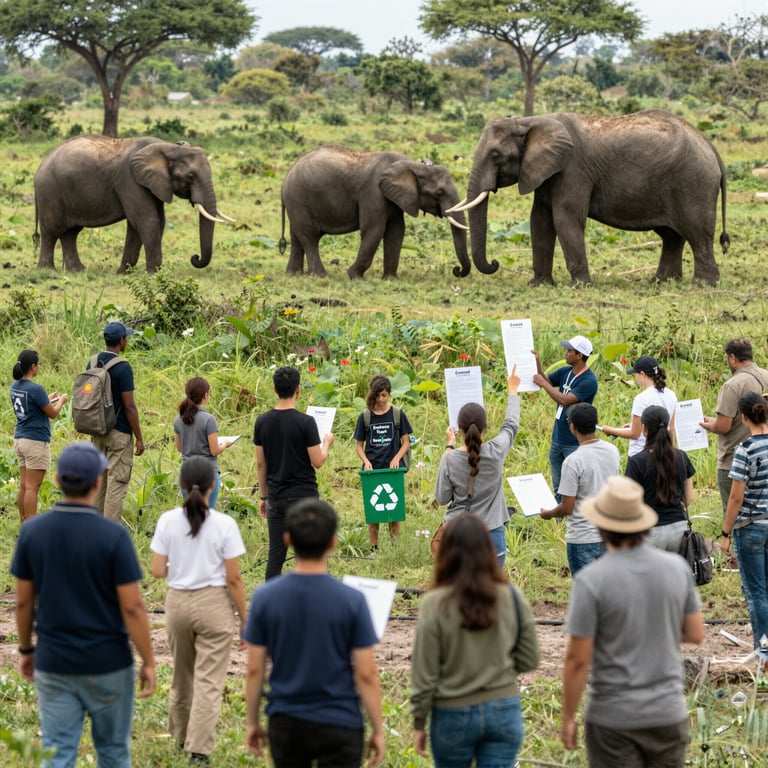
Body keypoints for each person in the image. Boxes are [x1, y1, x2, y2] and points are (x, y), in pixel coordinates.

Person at [10, 442, 155, 768]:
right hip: (109, 663)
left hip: (55, 661)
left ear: (58, 480)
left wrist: (25, 650)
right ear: (98, 482)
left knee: (57, 752)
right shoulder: (113, 536)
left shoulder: (33, 532)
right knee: (114, 752)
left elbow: (23, 601)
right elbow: (133, 607)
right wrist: (148, 660)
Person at [561, 475, 704, 767]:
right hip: (667, 712)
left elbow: (577, 659)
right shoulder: (676, 568)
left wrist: (567, 717)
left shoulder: (591, 580)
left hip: (612, 718)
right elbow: (696, 632)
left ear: (601, 526)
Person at [244, 498, 385, 767]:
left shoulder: (265, 597)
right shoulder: (352, 600)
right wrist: (378, 729)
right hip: (340, 722)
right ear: (333, 543)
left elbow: (254, 670)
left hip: (286, 721)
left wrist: (252, 722)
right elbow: (366, 673)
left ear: (287, 540)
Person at [411, 513, 540, 768]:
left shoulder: (434, 603)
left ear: (446, 551)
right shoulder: (512, 596)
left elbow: (424, 672)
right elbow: (529, 659)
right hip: (503, 708)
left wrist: (418, 721)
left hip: (452, 712)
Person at [151, 456, 248, 764]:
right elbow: (233, 578)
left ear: (180, 485)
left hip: (177, 602)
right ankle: (199, 750)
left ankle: (179, 737)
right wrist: (245, 619)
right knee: (208, 679)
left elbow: (156, 570)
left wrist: (181, 566)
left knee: (182, 675)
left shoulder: (168, 520)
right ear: (213, 485)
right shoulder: (224, 524)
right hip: (213, 604)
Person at [253, 366, 334, 580]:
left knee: (276, 555)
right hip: (304, 498)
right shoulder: (306, 422)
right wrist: (326, 444)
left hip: (276, 497)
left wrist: (264, 496)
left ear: (274, 389)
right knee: (309, 555)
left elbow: (261, 464)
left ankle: (272, 605)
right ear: (298, 390)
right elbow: (318, 461)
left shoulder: (262, 422)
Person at [435, 367, 521, 566]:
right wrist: (513, 390)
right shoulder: (496, 451)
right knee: (490, 592)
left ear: (459, 427)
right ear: (486, 426)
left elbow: (442, 498)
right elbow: (511, 424)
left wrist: (449, 445)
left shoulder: (449, 458)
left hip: (458, 533)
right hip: (492, 534)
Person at [540, 403, 620, 575]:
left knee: (588, 594)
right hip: (609, 533)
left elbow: (567, 508)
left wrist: (549, 514)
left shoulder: (573, 461)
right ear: (596, 423)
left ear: (572, 427)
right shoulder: (612, 450)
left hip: (582, 538)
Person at [721, 392, 768, 648]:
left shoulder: (745, 450)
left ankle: (764, 651)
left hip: (750, 527)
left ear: (743, 417)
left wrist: (726, 532)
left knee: (757, 592)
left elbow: (736, 498)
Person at [700, 338, 768, 517]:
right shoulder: (766, 375)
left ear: (732, 357)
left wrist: (708, 424)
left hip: (734, 460)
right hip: (764, 455)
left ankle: (729, 540)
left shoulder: (733, 385)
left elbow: (723, 426)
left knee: (735, 514)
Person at [89, 321, 145, 522]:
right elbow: (129, 406)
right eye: (126, 338)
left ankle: (94, 526)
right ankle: (109, 532)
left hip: (97, 430)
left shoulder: (93, 362)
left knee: (100, 480)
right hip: (119, 432)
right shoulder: (123, 367)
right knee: (116, 482)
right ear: (121, 341)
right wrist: (139, 437)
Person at [533, 335, 598, 501]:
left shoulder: (589, 381)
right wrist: (537, 363)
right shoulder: (566, 372)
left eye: (570, 350)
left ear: (580, 355)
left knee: (574, 488)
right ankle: (560, 524)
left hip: (574, 442)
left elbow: (565, 400)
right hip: (558, 439)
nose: (566, 353)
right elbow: (546, 380)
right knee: (558, 487)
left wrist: (543, 383)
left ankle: (575, 521)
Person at [354, 375, 413, 550]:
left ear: (389, 394)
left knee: (394, 510)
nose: (381, 399)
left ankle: (395, 547)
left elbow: (406, 442)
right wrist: (365, 461)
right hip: (372, 471)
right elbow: (358, 446)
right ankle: (374, 548)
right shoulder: (365, 417)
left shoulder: (397, 414)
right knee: (373, 512)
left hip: (393, 470)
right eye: (378, 395)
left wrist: (396, 458)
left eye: (385, 395)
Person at [625, 405, 695, 552]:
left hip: (649, 530)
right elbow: (687, 500)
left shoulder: (637, 462)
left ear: (644, 429)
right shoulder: (681, 457)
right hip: (679, 528)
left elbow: (629, 504)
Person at [10, 349, 68, 521]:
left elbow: (33, 407)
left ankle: (23, 522)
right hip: (35, 442)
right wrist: (62, 402)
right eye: (39, 364)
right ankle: (31, 526)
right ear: (33, 366)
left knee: (24, 486)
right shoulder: (36, 389)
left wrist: (47, 399)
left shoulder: (15, 387)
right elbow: (52, 414)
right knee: (32, 488)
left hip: (20, 439)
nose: (39, 366)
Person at [174, 377, 233, 512]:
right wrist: (225, 444)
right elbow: (214, 451)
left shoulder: (179, 419)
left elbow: (179, 448)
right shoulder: (208, 419)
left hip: (187, 473)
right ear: (205, 395)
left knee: (190, 515)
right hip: (208, 473)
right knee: (207, 514)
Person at [601, 355, 677, 457]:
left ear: (642, 374)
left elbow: (635, 434)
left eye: (636, 374)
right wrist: (670, 452)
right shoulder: (671, 394)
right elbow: (671, 428)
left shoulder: (641, 399)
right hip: (662, 453)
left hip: (640, 454)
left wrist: (610, 430)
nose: (635, 377)